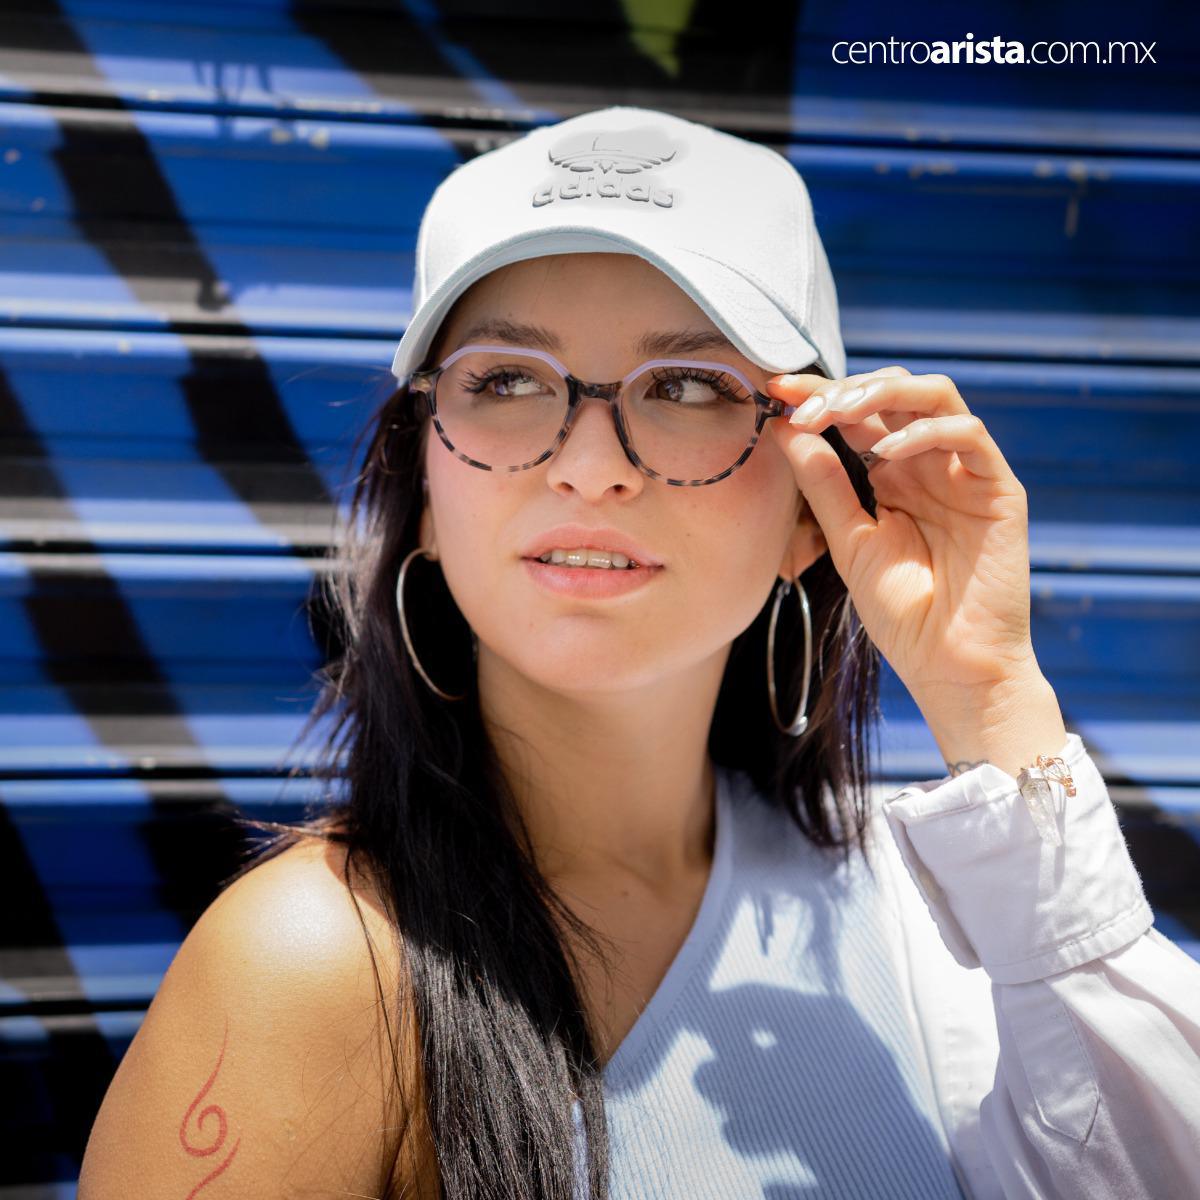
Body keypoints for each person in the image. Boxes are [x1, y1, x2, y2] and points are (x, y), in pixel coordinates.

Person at [79, 106, 1200, 1200]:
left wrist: (991, 699)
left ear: (811, 507)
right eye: (507, 380)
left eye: (689, 388)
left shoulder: (930, 909)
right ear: (422, 488)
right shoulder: (313, 961)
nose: (588, 466)